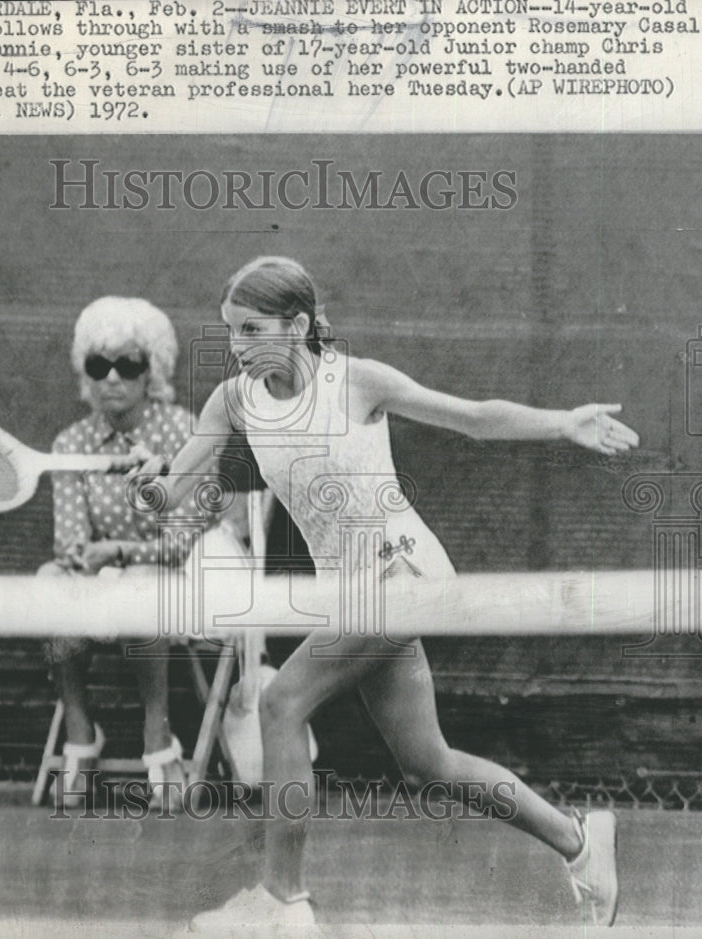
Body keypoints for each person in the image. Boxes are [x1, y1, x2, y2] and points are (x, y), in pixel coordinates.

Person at [136, 257, 640, 929]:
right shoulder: (232, 401)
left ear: (299, 325)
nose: (237, 345)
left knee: (282, 702)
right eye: (229, 331)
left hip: (403, 573)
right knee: (427, 761)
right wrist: (150, 484)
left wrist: (561, 422)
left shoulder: (359, 381)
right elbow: (173, 492)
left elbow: (474, 418)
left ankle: (282, 899)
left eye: (251, 329)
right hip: (351, 592)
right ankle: (582, 842)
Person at [39, 296, 200, 811]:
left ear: (151, 370)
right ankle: (81, 737)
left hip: (175, 580)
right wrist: (79, 559)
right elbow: (69, 540)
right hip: (104, 579)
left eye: (128, 365)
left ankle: (158, 737)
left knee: (142, 585)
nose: (112, 378)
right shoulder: (71, 442)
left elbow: (180, 543)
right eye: (99, 365)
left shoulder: (181, 432)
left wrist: (119, 553)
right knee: (48, 582)